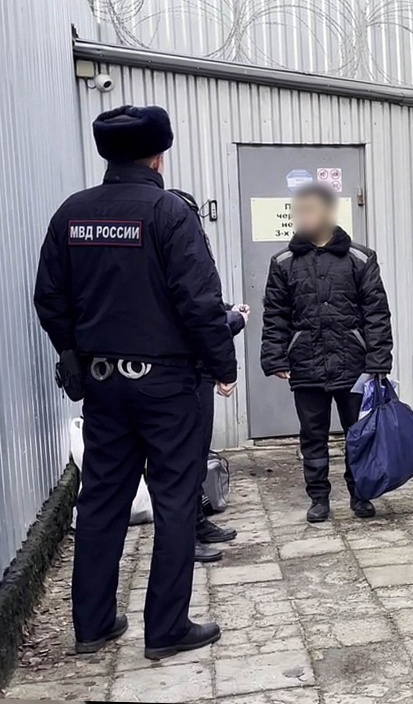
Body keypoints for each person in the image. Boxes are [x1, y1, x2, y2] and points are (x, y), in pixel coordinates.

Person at [33, 105, 237, 661]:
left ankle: (93, 624)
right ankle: (166, 628)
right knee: (175, 500)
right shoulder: (169, 214)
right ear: (158, 156)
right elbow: (199, 303)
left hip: (102, 384)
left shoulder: (71, 214)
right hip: (166, 385)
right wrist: (223, 365)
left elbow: (49, 297)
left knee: (102, 501)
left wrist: (73, 354)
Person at [260, 181, 393, 523]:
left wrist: (378, 360)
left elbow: (376, 313)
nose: (305, 217)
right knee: (313, 436)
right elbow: (275, 315)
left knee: (358, 434)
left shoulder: (360, 258)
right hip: (306, 364)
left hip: (354, 365)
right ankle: (318, 498)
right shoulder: (283, 262)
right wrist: (275, 356)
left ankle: (360, 494)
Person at [168, 189, 249, 564]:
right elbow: (195, 317)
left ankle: (198, 522)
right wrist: (234, 320)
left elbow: (204, 305)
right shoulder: (178, 246)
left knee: (199, 452)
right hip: (186, 372)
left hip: (197, 371)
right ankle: (185, 538)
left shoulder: (184, 249)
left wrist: (226, 311)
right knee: (186, 457)